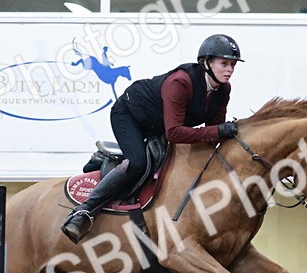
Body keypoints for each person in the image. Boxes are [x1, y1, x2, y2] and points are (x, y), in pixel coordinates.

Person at [60, 34, 243, 243]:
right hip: (129, 114)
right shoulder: (180, 82)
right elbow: (175, 133)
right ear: (206, 63)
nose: (229, 69)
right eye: (224, 63)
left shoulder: (223, 90)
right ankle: (83, 211)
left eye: (233, 65)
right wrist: (219, 131)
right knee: (138, 163)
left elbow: (212, 132)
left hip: (158, 124)